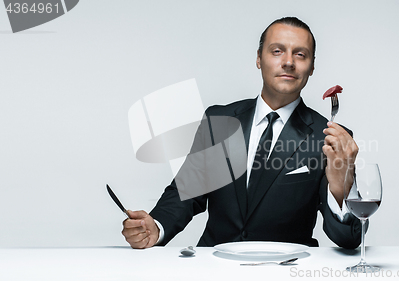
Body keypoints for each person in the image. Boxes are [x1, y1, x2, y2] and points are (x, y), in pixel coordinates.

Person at [121, 17, 362, 249]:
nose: (288, 62)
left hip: (285, 270)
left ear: (312, 67)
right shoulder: (219, 120)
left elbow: (348, 239)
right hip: (214, 265)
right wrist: (156, 226)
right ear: (259, 59)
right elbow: (188, 191)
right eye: (277, 51)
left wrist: (342, 188)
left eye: (300, 54)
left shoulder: (328, 138)